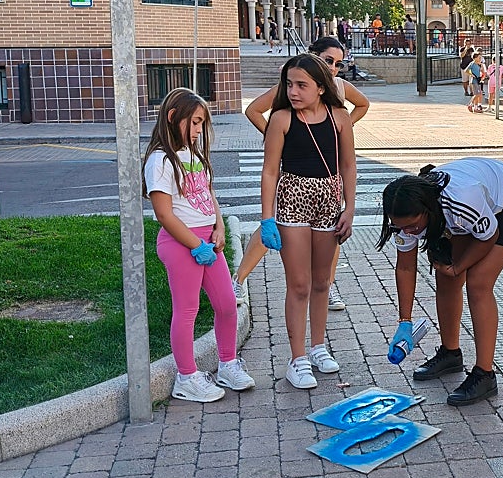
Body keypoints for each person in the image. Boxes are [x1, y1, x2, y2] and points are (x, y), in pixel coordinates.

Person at [378, 159, 503, 406]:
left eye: (414, 226)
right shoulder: (405, 219)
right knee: (446, 279)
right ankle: (451, 353)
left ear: (428, 210)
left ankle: (485, 374)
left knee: (478, 284)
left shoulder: (460, 202)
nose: (409, 232)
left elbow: (488, 237)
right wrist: (405, 321)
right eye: (403, 227)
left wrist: (459, 266)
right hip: (461, 213)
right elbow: (405, 266)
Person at [236, 36, 369, 311]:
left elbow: (363, 105)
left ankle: (327, 287)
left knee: (330, 237)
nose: (332, 67)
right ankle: (237, 279)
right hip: (295, 180)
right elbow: (253, 110)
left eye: (338, 63)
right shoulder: (296, 87)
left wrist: (340, 133)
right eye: (328, 60)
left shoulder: (340, 88)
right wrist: (281, 139)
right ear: (313, 54)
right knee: (274, 231)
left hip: (327, 183)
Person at [143, 88, 254, 404]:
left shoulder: (195, 158)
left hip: (207, 242)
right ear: (171, 117)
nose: (197, 130)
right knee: (187, 310)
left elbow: (208, 195)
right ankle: (187, 377)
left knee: (226, 304)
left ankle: (228, 364)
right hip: (182, 244)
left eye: (201, 123)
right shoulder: (160, 160)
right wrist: (195, 245)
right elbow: (164, 213)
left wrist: (219, 227)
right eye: (193, 122)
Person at [258, 54, 358, 390]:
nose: (294, 91)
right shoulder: (282, 118)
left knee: (321, 282)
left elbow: (348, 166)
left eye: (302, 85)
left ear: (320, 87)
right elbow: (270, 171)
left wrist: (350, 208)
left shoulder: (340, 117)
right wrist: (267, 217)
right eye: (289, 84)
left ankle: (318, 347)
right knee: (298, 283)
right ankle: (297, 358)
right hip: (293, 202)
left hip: (329, 202)